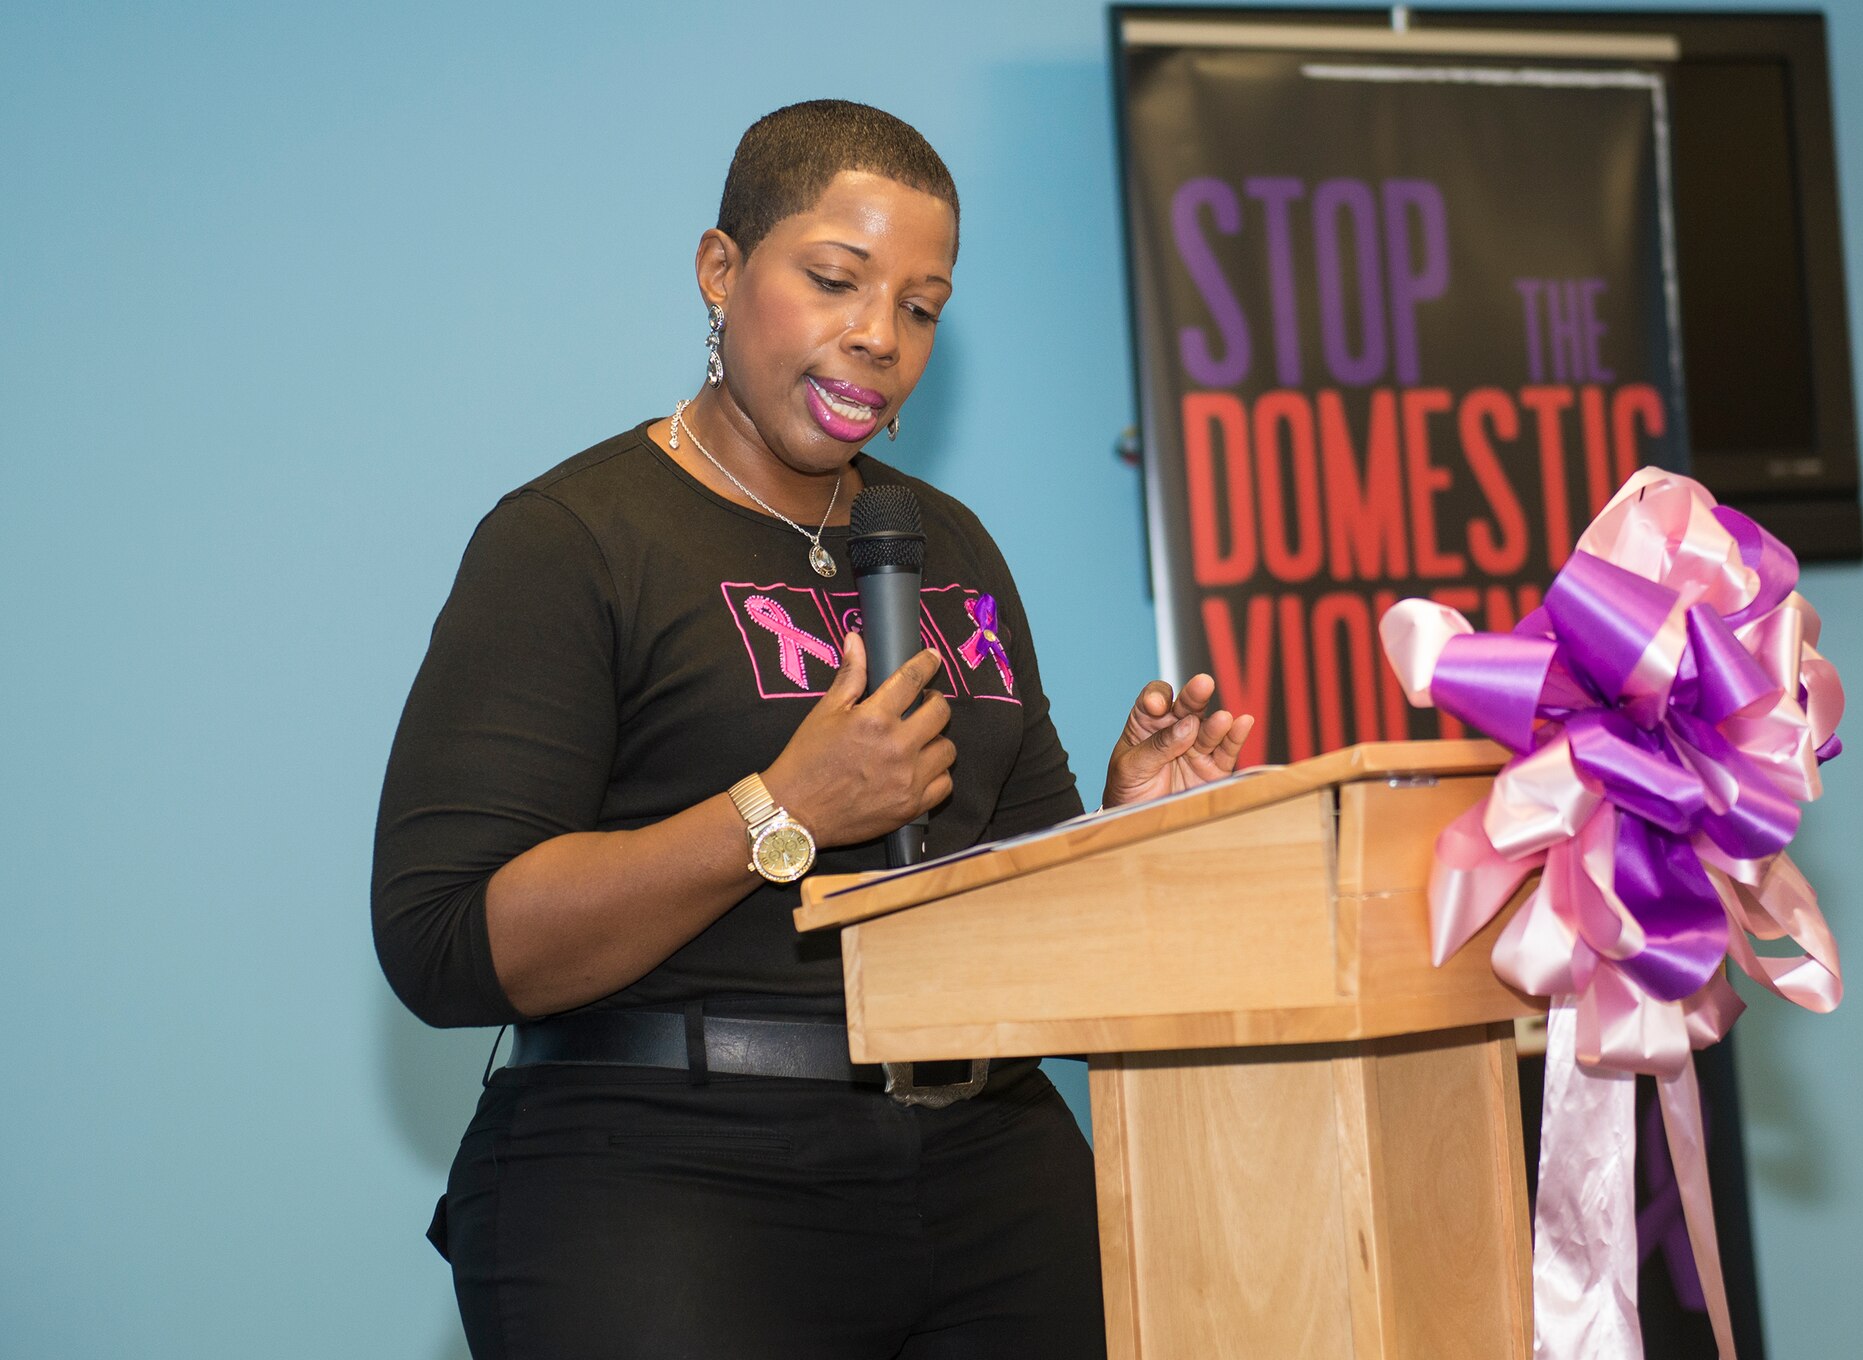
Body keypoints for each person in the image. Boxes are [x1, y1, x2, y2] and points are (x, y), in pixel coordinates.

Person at [372, 99, 1253, 1360]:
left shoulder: (944, 546)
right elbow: (442, 941)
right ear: (719, 272)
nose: (877, 337)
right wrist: (777, 812)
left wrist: (1124, 826)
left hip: (992, 1173)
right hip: (666, 1178)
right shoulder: (573, 538)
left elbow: (1011, 911)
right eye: (835, 279)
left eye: (920, 306)